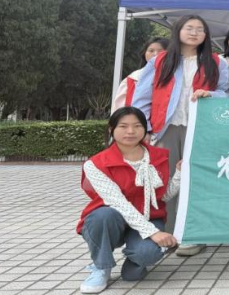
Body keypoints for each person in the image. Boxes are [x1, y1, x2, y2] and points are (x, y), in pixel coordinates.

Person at [132, 14, 229, 257]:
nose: (194, 33)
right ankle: (166, 233)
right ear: (178, 31)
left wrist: (210, 95)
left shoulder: (216, 62)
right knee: (165, 182)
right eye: (189, 28)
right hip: (165, 129)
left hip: (200, 130)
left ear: (206, 35)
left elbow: (226, 93)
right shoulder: (160, 61)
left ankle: (194, 235)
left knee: (196, 180)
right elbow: (142, 97)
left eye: (200, 29)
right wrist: (144, 129)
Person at [77, 107, 181, 293]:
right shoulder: (96, 164)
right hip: (112, 219)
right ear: (111, 129)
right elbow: (118, 203)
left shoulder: (158, 156)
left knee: (144, 258)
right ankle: (101, 267)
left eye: (137, 126)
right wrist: (153, 233)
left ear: (145, 129)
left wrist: (180, 174)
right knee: (103, 216)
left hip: (149, 216)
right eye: (123, 126)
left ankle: (135, 260)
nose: (131, 131)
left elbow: (162, 197)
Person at [112, 38, 169, 112]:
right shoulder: (132, 79)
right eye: (151, 51)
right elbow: (119, 111)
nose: (155, 54)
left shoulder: (174, 77)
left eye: (160, 51)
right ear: (144, 54)